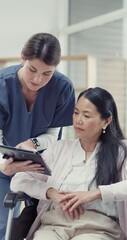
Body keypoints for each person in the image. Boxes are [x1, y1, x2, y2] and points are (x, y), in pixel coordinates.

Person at [11, 87, 127, 240]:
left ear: (106, 120)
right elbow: (19, 180)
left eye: (86, 115)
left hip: (98, 229)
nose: (78, 120)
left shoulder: (121, 151)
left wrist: (95, 194)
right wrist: (51, 192)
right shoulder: (59, 149)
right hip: (54, 226)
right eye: (76, 112)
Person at [0, 32, 75, 240]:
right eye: (32, 69)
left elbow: (54, 134)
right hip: (4, 165)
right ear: (22, 58)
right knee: (3, 225)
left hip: (43, 166)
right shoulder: (2, 84)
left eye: (47, 74)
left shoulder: (62, 88)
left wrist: (32, 143)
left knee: (42, 223)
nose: (37, 79)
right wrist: (3, 166)